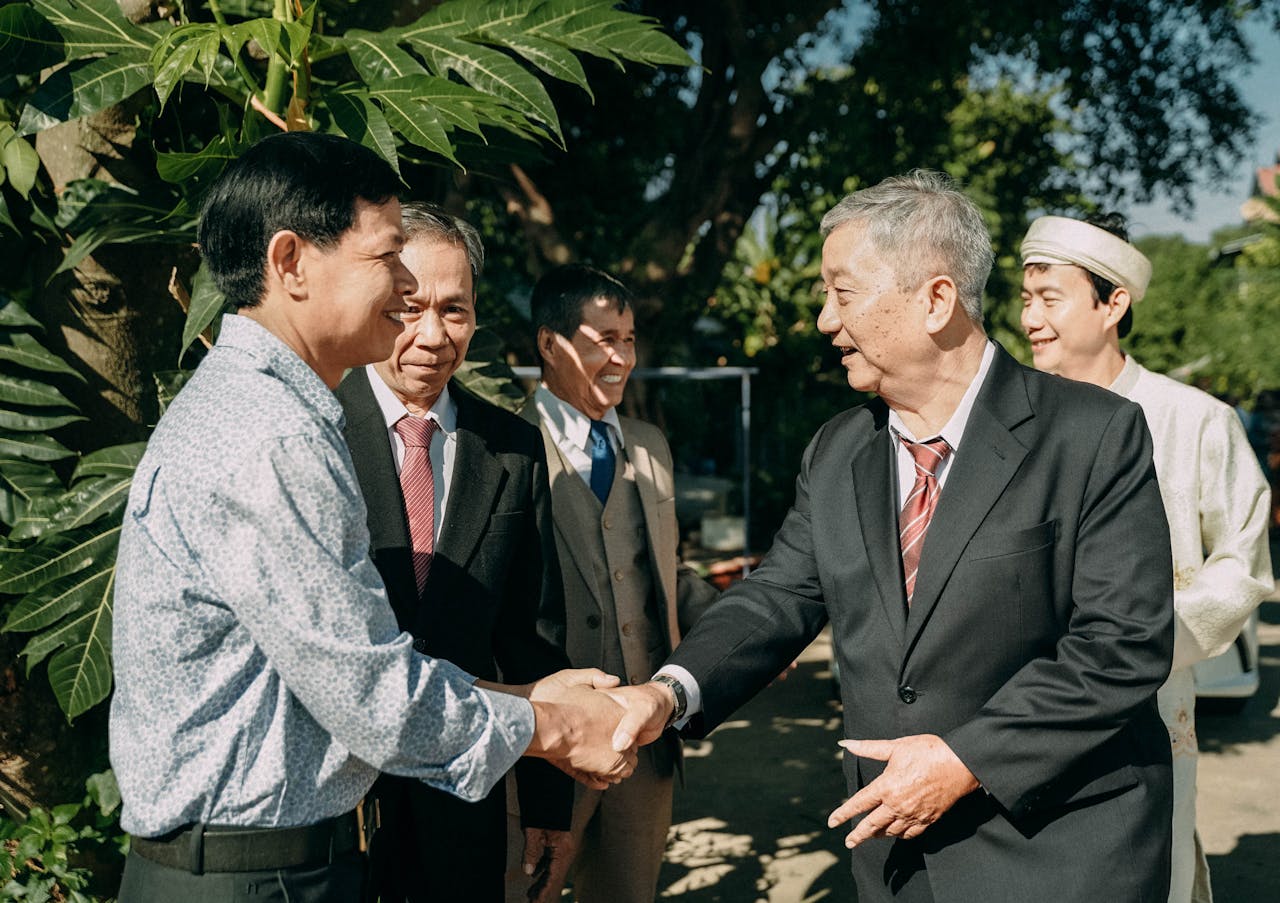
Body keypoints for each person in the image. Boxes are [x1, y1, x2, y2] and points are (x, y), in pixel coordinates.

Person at [608, 170, 1177, 903]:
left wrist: (965, 757)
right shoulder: (837, 450)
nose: (822, 320)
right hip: (898, 864)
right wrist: (667, 693)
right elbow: (776, 598)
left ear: (936, 299)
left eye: (841, 293)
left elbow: (1121, 644)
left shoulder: (1094, 434)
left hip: (1061, 855)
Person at [109, 132, 635, 903]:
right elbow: (378, 700)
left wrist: (530, 700)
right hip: (258, 875)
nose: (403, 285)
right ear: (290, 262)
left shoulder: (258, 406)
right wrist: (554, 725)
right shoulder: (274, 437)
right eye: (387, 258)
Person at [1019, 212, 1273, 903]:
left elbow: (1243, 564)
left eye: (1049, 298)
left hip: (1149, 702)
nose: (1029, 317)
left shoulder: (1193, 419)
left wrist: (1139, 643)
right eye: (1024, 298)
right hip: (1017, 709)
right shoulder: (1010, 422)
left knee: (1145, 873)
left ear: (1114, 303)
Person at [336, 203, 574, 903]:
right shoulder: (313, 432)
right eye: (409, 308)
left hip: (463, 801)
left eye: (456, 310)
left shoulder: (512, 448)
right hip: (336, 810)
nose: (433, 336)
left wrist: (546, 806)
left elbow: (533, 637)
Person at [510, 263, 720, 903]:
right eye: (604, 338)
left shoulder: (651, 444)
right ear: (551, 344)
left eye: (628, 340)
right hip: (549, 746)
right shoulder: (507, 443)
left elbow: (661, 568)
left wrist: (735, 620)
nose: (621, 357)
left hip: (646, 742)